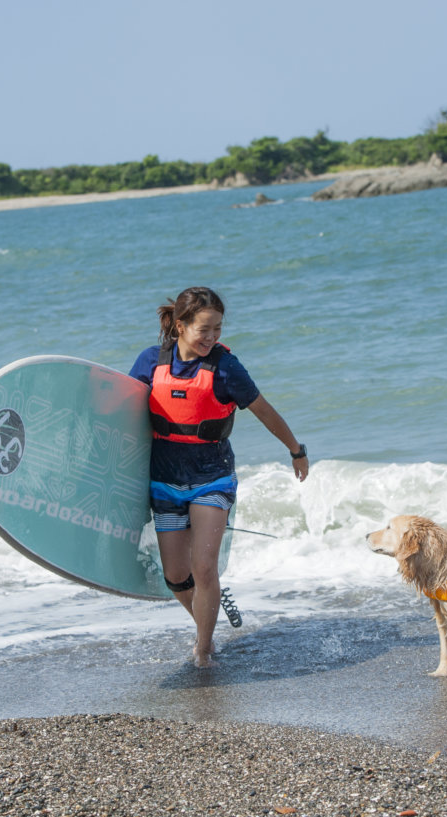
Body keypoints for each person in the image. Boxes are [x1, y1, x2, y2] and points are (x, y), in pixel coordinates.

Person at [129, 286, 309, 667]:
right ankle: (206, 618)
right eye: (204, 329)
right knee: (176, 576)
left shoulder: (226, 368)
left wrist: (295, 449)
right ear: (180, 326)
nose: (212, 337)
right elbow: (123, 415)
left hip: (213, 478)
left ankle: (204, 649)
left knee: (204, 566)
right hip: (164, 480)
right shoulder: (150, 362)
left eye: (218, 329)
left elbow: (264, 410)